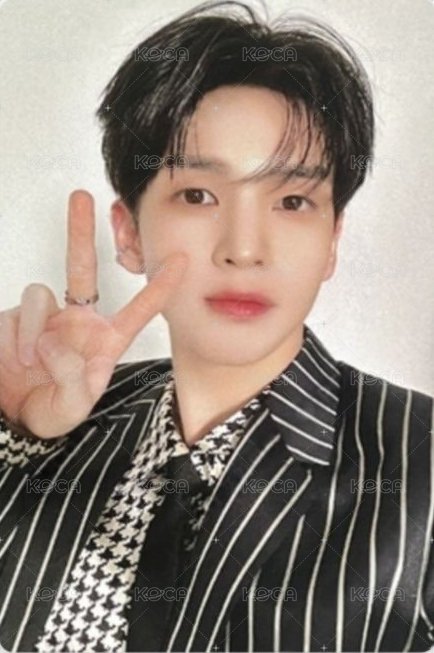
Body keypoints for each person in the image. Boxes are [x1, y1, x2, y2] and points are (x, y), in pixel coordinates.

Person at [0, 1, 433, 651]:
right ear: (129, 234)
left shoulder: (417, 463)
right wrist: (17, 428)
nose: (244, 249)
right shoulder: (55, 421)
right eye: (198, 195)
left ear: (332, 240)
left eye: (293, 201)